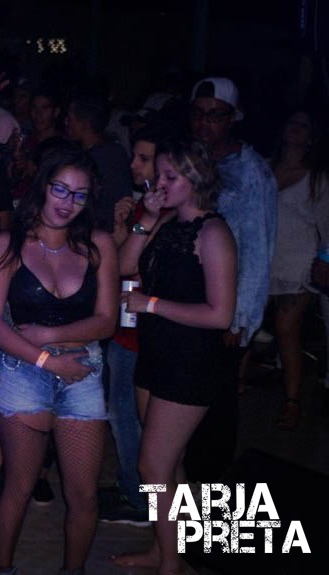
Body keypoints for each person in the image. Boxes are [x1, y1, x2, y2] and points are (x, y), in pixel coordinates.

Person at [0, 148, 118, 574]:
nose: (67, 202)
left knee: (84, 495)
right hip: (22, 371)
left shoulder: (98, 244)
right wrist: (45, 358)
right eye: (60, 189)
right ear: (43, 187)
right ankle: (2, 570)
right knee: (19, 487)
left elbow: (107, 321)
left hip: (83, 371)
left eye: (79, 194)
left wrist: (50, 336)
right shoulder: (7, 243)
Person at [113, 138, 237, 573]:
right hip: (156, 353)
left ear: (196, 179)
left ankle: (170, 564)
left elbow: (221, 315)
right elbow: (124, 265)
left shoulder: (214, 233)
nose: (159, 183)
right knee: (169, 465)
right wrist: (146, 218)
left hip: (190, 362)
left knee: (153, 466)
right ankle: (168, 551)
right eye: (159, 175)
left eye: (170, 176)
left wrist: (151, 304)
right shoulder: (166, 222)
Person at [186, 77, 276, 481]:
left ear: (231, 119)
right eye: (199, 114)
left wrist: (240, 321)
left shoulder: (251, 173)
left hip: (223, 311)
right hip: (187, 303)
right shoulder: (193, 162)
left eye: (215, 115)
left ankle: (209, 499)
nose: (204, 123)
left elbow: (258, 252)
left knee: (216, 409)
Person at [100, 122, 167, 526]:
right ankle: (133, 487)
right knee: (123, 414)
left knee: (129, 417)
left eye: (144, 158)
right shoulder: (144, 205)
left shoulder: (168, 212)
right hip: (126, 325)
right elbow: (119, 262)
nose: (133, 164)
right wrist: (122, 225)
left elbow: (135, 268)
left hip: (143, 331)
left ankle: (139, 499)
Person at [268, 109, 328, 430]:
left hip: (297, 265)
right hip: (263, 260)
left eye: (303, 126)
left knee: (286, 330)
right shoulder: (265, 168)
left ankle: (293, 401)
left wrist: (325, 261)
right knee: (245, 325)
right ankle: (236, 383)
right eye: (292, 122)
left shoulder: (317, 178)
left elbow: (327, 226)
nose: (296, 129)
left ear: (311, 137)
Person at [65, 91, 132, 232]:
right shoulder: (84, 151)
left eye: (70, 118)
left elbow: (106, 208)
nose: (66, 122)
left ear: (85, 123)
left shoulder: (107, 156)